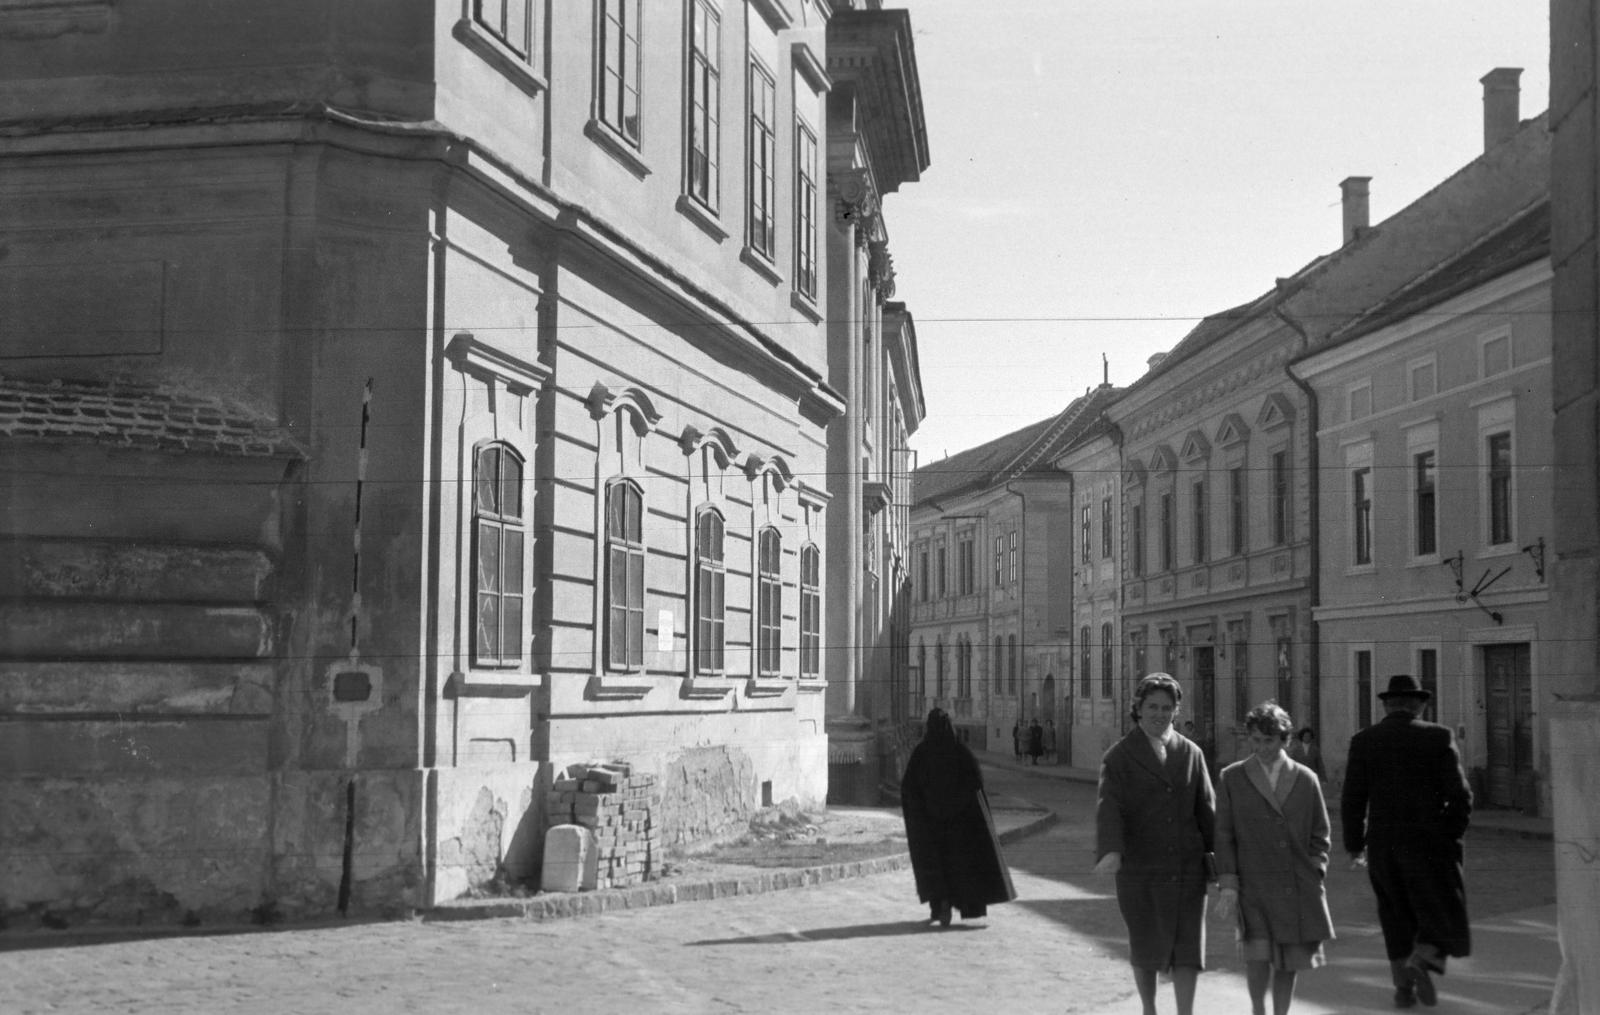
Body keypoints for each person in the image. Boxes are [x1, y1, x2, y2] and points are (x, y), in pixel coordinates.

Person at [1342, 674, 1473, 1009]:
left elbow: (1353, 799)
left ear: (1387, 705)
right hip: (1429, 845)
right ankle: (1425, 957)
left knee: (1394, 916)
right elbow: (1460, 796)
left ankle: (1403, 990)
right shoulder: (1437, 737)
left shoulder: (1365, 740)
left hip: (1383, 845)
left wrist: (1355, 844)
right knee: (1442, 907)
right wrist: (1450, 833)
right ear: (1419, 704)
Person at [1094, 673, 1217, 1015]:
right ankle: (1149, 1009)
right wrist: (1112, 850)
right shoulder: (1118, 757)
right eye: (1152, 707)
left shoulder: (1191, 753)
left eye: (1167, 707)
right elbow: (1109, 808)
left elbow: (1208, 811)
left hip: (1186, 869)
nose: (1159, 714)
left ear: (1176, 711)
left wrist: (1222, 863)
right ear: (1138, 708)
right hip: (1140, 870)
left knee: (1188, 948)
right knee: (1145, 947)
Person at [1214, 702, 1335, 1015]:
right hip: (1253, 884)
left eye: (1268, 740)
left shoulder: (1306, 779)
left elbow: (1320, 834)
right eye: (1255, 740)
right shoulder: (1233, 777)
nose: (1261, 747)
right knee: (1257, 957)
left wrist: (1315, 870)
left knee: (1287, 960)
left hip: (1295, 885)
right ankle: (1258, 1010)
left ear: (1285, 740)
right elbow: (1224, 835)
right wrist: (1228, 883)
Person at [901, 707, 1017, 927]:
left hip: (931, 825)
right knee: (958, 868)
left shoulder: (922, 753)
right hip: (958, 827)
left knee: (936, 866)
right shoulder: (960, 752)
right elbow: (976, 784)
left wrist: (920, 811)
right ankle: (956, 905)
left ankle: (939, 906)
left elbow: (908, 787)